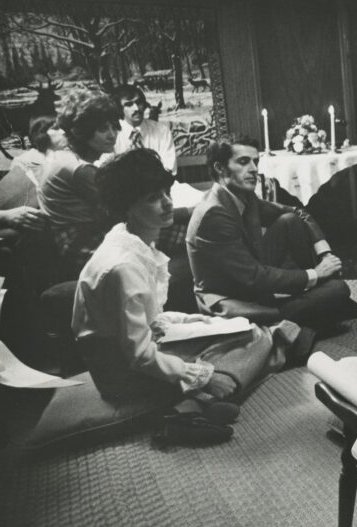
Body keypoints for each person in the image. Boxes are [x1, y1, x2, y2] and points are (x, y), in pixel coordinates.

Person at [73, 148, 316, 447]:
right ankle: (190, 406)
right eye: (152, 198)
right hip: (120, 374)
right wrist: (203, 376)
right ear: (126, 207)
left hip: (135, 348)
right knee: (257, 339)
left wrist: (199, 321)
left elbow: (151, 319)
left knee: (246, 331)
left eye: (165, 192)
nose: (166, 203)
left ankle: (198, 401)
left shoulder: (132, 242)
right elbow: (138, 356)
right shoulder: (123, 265)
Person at [186, 135, 357, 333]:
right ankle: (314, 314)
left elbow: (297, 212)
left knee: (290, 221)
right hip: (232, 301)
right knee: (338, 290)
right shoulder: (213, 213)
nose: (253, 169)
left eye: (255, 161)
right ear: (220, 168)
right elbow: (254, 277)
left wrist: (324, 253)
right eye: (243, 162)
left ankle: (327, 306)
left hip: (251, 282)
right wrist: (315, 274)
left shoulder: (243, 196)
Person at [38, 88, 121, 276]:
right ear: (82, 132)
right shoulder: (79, 168)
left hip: (77, 238)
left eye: (114, 126)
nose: (112, 134)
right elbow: (122, 209)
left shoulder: (63, 156)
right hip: (84, 244)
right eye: (102, 129)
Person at [108, 84, 177, 173]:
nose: (136, 108)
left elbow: (169, 168)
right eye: (129, 104)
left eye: (139, 102)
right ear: (119, 108)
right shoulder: (112, 134)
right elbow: (108, 173)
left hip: (158, 185)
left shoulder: (161, 130)